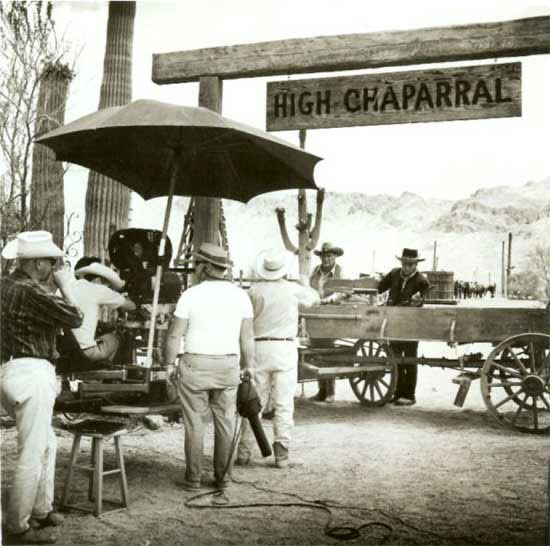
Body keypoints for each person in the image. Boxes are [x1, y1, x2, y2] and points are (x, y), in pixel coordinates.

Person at [0, 231, 83, 544]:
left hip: (10, 369)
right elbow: (75, 317)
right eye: (50, 261)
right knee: (33, 452)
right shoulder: (31, 290)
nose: (54, 265)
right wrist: (66, 286)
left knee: (46, 444)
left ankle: (42, 508)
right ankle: (18, 525)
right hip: (31, 371)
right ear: (36, 263)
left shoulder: (6, 285)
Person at [163, 243, 255, 491]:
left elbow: (174, 336)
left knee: (195, 424)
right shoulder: (241, 296)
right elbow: (247, 338)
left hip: (195, 365)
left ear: (204, 267)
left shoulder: (190, 295)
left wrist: (169, 364)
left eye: (197, 265)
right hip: (228, 365)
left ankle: (193, 479)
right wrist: (249, 366)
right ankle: (223, 478)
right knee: (226, 422)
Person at [236, 249, 319, 468]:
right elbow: (315, 298)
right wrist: (303, 281)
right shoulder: (292, 290)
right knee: (284, 402)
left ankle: (244, 452)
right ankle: (281, 454)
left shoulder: (253, 291)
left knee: (254, 401)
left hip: (259, 346)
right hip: (285, 347)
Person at [377, 248, 430, 406]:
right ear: (401, 262)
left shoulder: (422, 281)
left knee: (410, 360)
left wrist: (418, 300)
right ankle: (397, 392)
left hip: (411, 325)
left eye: (410, 264)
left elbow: (424, 299)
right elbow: (380, 287)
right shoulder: (393, 274)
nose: (407, 267)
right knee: (395, 359)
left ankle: (409, 395)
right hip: (393, 323)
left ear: (416, 264)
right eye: (404, 263)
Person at [71, 262, 136, 361]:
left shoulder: (69, 287)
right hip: (86, 353)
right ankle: (124, 372)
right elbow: (131, 306)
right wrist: (123, 294)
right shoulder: (98, 289)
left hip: (66, 349)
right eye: (108, 286)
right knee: (121, 336)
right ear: (98, 280)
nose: (108, 289)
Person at [309, 242, 344, 403]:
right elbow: (310, 289)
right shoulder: (316, 272)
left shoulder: (340, 271)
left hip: (333, 315)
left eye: (329, 256)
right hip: (316, 314)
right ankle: (321, 391)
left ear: (335, 257)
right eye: (324, 256)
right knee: (316, 351)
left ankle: (330, 392)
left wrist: (328, 300)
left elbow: (344, 292)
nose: (326, 259)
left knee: (328, 352)